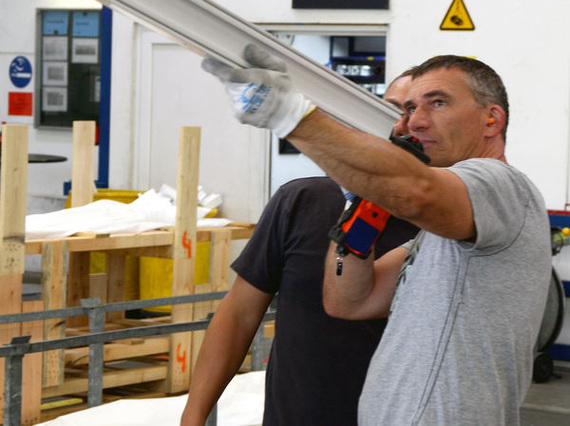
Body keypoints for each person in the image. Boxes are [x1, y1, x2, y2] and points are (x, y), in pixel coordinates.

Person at [201, 45, 551, 425]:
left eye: (437, 103)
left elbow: (417, 193)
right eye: (410, 109)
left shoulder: (502, 184)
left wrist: (287, 114)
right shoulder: (435, 239)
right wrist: (362, 206)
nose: (414, 122)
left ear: (491, 119)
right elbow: (349, 300)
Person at [180, 72, 419, 426]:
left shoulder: (445, 228)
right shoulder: (302, 202)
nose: (403, 126)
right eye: (392, 112)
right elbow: (239, 314)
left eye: (419, 114)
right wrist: (193, 415)